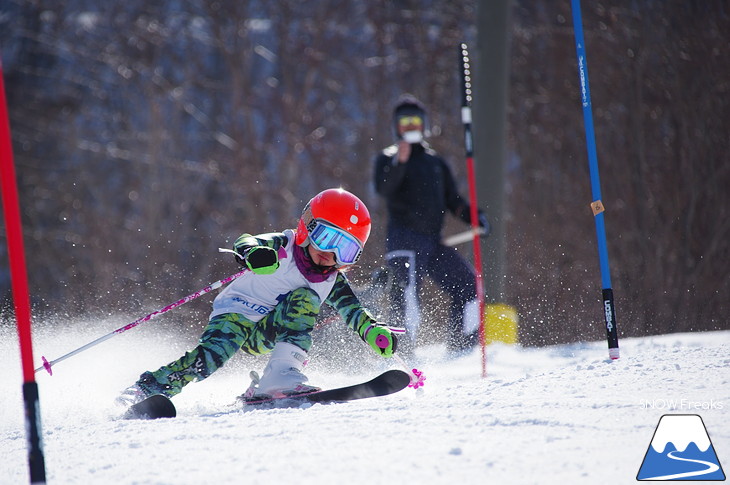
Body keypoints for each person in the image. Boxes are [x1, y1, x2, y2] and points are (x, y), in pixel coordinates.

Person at [116, 188, 398, 406]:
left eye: (345, 250)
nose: (331, 254)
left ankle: (280, 376)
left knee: (305, 299)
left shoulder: (332, 278)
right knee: (212, 358)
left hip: (268, 330)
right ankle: (146, 389)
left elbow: (355, 312)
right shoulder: (284, 245)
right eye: (326, 238)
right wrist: (255, 254)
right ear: (307, 227)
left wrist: (374, 332)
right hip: (237, 313)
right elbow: (246, 242)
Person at [373, 94, 490, 356]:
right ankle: (399, 357)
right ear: (396, 126)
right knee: (407, 297)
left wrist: (475, 217)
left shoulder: (436, 163)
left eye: (416, 122)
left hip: (433, 242)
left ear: (424, 124)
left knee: (470, 286)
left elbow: (453, 201)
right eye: (405, 123)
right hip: (404, 240)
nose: (411, 127)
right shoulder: (387, 159)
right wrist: (399, 163)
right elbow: (383, 189)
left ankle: (460, 352)